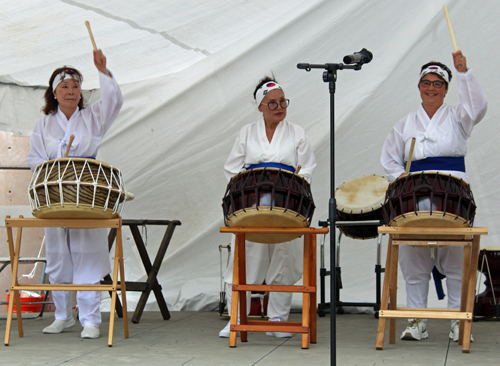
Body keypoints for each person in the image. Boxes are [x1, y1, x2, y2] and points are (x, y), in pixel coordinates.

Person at [380, 50, 487, 341]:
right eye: (426, 83)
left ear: (446, 89)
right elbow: (389, 159)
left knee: (455, 259)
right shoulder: (404, 124)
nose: (431, 88)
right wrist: (401, 178)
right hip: (414, 193)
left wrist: (464, 73)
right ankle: (417, 321)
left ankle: (456, 320)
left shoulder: (459, 116)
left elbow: (478, 107)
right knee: (413, 259)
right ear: (419, 87)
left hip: (453, 192)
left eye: (437, 83)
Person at [27, 50, 123, 339]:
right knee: (57, 256)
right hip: (56, 193)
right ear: (54, 93)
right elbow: (34, 158)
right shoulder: (44, 123)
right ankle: (62, 316)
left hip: (86, 193)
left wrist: (103, 71)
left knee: (87, 255)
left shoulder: (93, 116)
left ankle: (91, 319)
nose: (71, 91)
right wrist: (53, 172)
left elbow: (115, 101)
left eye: (76, 86)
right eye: (65, 87)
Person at [220, 76, 316, 338]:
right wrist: (249, 187)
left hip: (287, 204)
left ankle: (278, 318)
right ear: (260, 106)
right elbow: (232, 167)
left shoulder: (297, 132)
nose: (279, 107)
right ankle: (236, 318)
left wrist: (290, 188)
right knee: (246, 257)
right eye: (272, 103)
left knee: (284, 259)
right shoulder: (246, 132)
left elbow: (307, 168)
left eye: (282, 101)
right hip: (252, 206)